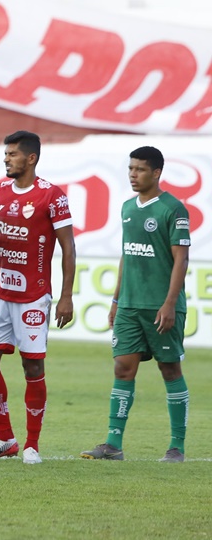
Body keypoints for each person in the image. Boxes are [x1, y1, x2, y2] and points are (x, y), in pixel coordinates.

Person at [0, 131, 75, 464]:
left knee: (32, 365)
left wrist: (66, 296)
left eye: (12, 154)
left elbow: (68, 247)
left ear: (31, 158)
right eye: (5, 154)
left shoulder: (51, 196)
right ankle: (5, 438)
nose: (6, 159)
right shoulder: (0, 191)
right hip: (1, 293)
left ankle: (32, 444)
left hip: (33, 297)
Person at [82, 146, 190, 462]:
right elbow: (126, 254)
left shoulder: (173, 209)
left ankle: (177, 446)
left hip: (160, 306)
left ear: (156, 173)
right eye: (131, 168)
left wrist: (169, 303)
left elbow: (181, 259)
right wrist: (116, 299)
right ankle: (113, 444)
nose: (133, 174)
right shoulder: (128, 207)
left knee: (169, 368)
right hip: (129, 305)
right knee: (123, 367)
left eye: (140, 169)